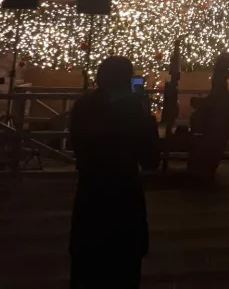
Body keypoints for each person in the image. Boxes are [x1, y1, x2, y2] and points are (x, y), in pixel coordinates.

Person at [68, 55, 160, 289]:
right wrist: (147, 119)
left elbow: (77, 148)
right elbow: (150, 159)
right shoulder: (135, 113)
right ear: (127, 81)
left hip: (91, 197)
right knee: (123, 272)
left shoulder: (83, 107)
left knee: (87, 269)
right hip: (124, 198)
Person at [187, 55, 229, 184]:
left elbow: (214, 100)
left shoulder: (218, 81)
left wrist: (199, 102)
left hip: (217, 123)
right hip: (220, 121)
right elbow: (216, 99)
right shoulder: (220, 83)